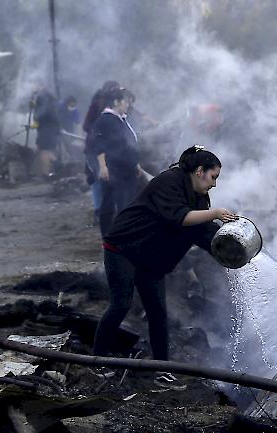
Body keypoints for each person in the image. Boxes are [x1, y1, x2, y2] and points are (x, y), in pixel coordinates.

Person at [92, 145, 238, 390]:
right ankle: (96, 360)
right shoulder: (169, 181)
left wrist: (229, 248)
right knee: (121, 304)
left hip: (151, 258)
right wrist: (215, 213)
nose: (214, 184)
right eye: (213, 177)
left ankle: (162, 371)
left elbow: (201, 232)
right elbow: (179, 217)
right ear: (200, 171)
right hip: (124, 247)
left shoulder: (200, 197)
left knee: (158, 313)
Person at [92, 87, 144, 236]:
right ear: (116, 102)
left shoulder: (120, 119)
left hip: (126, 168)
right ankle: (111, 237)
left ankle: (121, 236)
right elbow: (99, 144)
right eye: (125, 102)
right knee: (113, 204)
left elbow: (128, 144)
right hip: (115, 169)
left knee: (125, 203)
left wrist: (136, 164)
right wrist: (103, 167)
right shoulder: (106, 120)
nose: (127, 105)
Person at [83, 80, 120, 223]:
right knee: (97, 177)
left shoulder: (117, 105)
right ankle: (99, 211)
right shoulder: (97, 104)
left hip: (110, 148)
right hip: (94, 147)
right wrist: (99, 132)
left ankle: (110, 209)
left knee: (110, 178)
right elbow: (86, 125)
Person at [32, 85, 61, 177]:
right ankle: (56, 164)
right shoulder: (49, 96)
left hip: (46, 127)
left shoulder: (42, 96)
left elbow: (44, 110)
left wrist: (36, 117)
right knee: (47, 149)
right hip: (53, 127)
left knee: (43, 150)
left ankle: (46, 173)